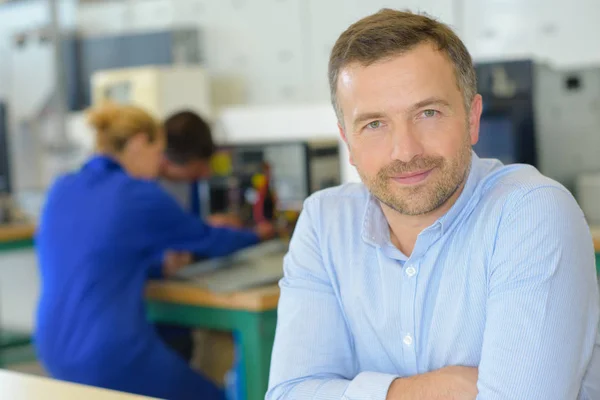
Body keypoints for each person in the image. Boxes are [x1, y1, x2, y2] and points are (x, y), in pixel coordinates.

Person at [267, 9, 600, 400]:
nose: (405, 151)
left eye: (428, 113)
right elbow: (288, 394)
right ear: (348, 140)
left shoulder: (532, 212)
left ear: (473, 119)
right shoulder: (324, 222)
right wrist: (425, 391)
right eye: (374, 124)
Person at [34, 103, 274, 400]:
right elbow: (209, 239)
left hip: (52, 350)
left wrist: (159, 266)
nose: (161, 162)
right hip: (107, 355)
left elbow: (95, 259)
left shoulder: (62, 186)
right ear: (138, 142)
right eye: (159, 151)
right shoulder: (138, 195)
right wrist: (257, 235)